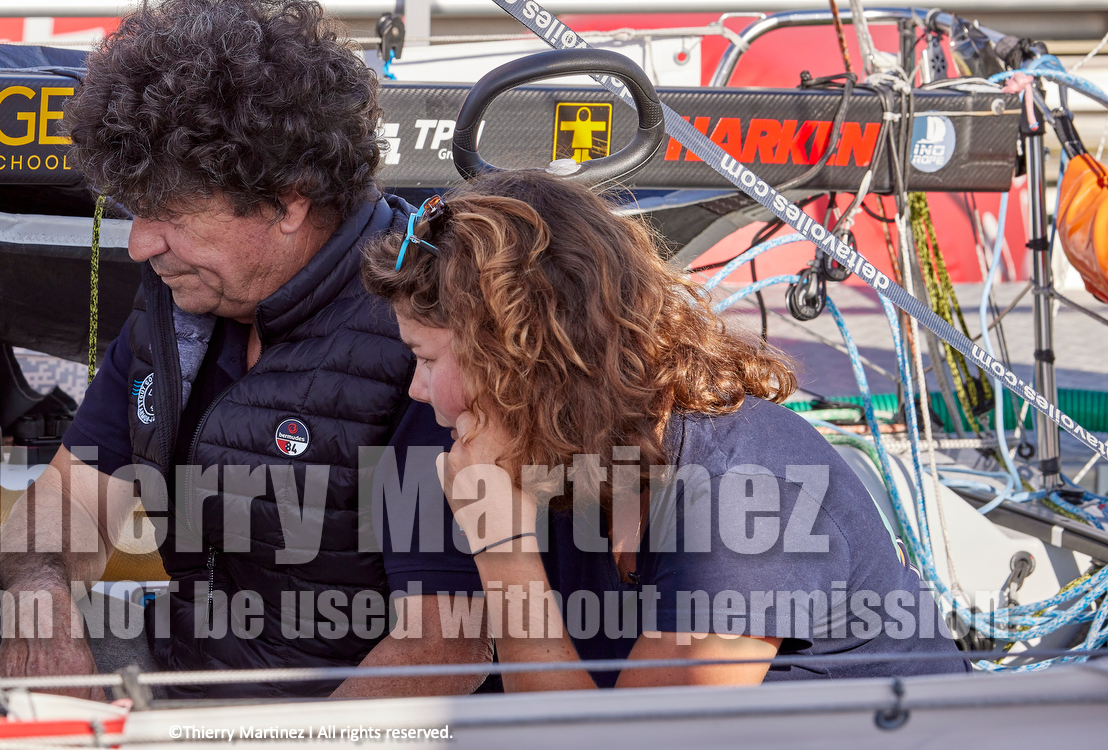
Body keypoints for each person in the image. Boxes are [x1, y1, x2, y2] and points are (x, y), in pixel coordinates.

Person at [0, 0, 488, 700]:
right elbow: (66, 509)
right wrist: (42, 609)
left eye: (172, 214)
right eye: (132, 210)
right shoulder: (177, 303)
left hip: (329, 711)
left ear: (289, 201)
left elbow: (444, 649)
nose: (139, 245)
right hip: (185, 664)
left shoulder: (428, 333)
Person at [359, 168, 970, 691]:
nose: (415, 389)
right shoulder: (568, 464)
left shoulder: (746, 492)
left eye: (428, 358)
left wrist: (503, 550)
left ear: (522, 359)